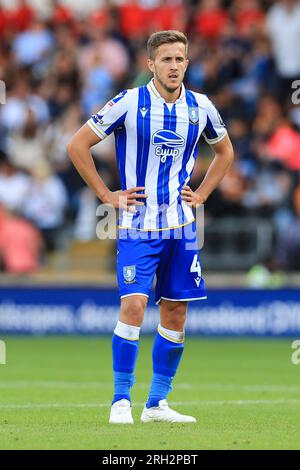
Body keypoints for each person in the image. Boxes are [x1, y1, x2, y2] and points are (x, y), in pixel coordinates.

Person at [67, 30, 234, 424]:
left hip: (182, 225)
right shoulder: (129, 101)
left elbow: (225, 151)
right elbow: (77, 145)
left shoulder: (201, 107)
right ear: (151, 65)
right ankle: (120, 400)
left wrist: (204, 192)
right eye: (167, 60)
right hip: (137, 225)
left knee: (175, 313)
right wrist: (107, 195)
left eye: (180, 59)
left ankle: (156, 404)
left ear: (187, 63)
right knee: (135, 305)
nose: (174, 66)